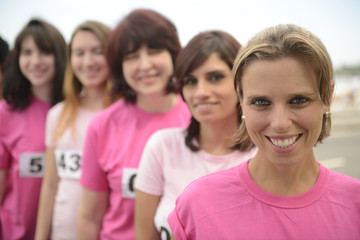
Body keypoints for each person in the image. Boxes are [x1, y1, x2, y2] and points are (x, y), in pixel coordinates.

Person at [168, 24, 360, 239]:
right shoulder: (197, 205)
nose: (280, 123)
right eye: (261, 102)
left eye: (298, 100)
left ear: (327, 97)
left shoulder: (355, 204)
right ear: (240, 99)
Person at [76, 9, 191, 240]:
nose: (144, 64)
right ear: (119, 66)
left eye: (154, 51)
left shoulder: (197, 117)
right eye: (131, 57)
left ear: (173, 54)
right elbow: (89, 216)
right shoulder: (102, 126)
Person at [135, 30, 257, 240]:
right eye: (190, 81)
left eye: (215, 77)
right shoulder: (162, 147)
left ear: (241, 83)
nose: (201, 92)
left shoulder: (262, 155)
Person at [35, 21, 111, 240]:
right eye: (79, 53)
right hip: (63, 232)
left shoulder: (122, 118)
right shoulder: (58, 114)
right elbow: (50, 185)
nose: (88, 62)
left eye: (98, 52)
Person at [0, 18, 66, 240]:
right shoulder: (5, 113)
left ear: (59, 56)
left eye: (44, 52)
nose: (35, 61)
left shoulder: (74, 110)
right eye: (27, 52)